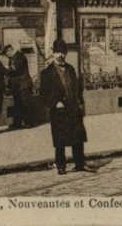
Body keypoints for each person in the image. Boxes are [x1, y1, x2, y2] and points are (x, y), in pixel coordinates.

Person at [39, 38, 94, 175]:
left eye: (63, 52)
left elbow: (77, 88)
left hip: (73, 108)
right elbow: (43, 94)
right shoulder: (47, 73)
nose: (60, 55)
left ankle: (80, 163)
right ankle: (61, 165)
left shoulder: (71, 69)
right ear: (53, 53)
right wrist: (54, 103)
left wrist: (80, 102)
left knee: (78, 138)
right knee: (60, 140)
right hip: (59, 111)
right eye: (57, 52)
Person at [3, 43, 35, 129]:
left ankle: (30, 122)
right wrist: (9, 86)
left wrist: (4, 69)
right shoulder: (12, 59)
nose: (7, 57)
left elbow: (15, 68)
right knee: (17, 105)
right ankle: (17, 123)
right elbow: (11, 75)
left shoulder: (20, 56)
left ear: (10, 51)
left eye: (6, 54)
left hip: (24, 84)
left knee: (26, 103)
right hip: (17, 86)